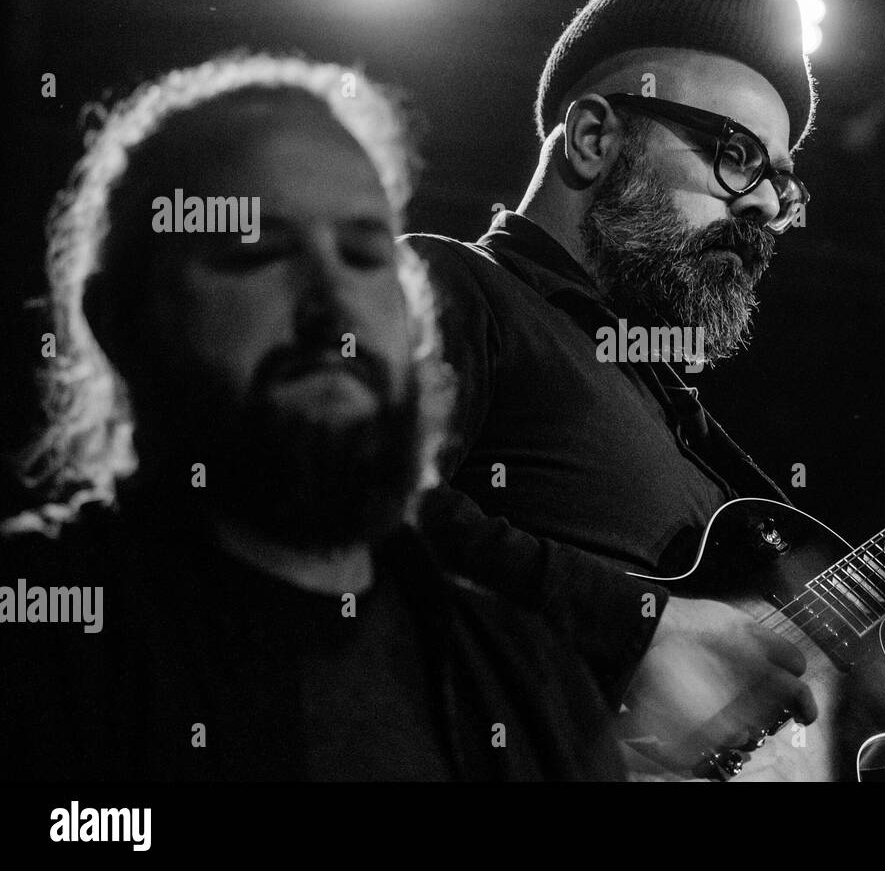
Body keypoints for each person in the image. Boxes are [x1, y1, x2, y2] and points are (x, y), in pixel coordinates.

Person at [407, 0, 885, 779]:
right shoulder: (449, 287)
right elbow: (346, 505)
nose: (769, 207)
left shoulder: (674, 413)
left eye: (783, 183)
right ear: (595, 139)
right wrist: (639, 623)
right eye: (737, 155)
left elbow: (789, 733)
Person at [0, 53, 624, 781]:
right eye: (258, 251)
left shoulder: (531, 682)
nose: (332, 305)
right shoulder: (36, 626)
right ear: (122, 320)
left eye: (364, 254)